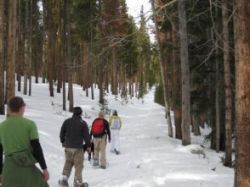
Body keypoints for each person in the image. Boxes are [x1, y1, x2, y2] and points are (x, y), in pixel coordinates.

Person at [0, 96, 49, 187]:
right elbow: (36, 147)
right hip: (27, 167)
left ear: (9, 109)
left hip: (9, 169)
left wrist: (0, 173)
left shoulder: (1, 127)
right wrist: (44, 168)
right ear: (22, 108)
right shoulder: (30, 125)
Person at [59, 107, 91, 187]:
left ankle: (64, 179)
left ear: (73, 113)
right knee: (78, 165)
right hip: (78, 148)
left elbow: (61, 133)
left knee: (68, 162)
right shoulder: (83, 123)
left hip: (68, 146)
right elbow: (86, 136)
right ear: (80, 113)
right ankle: (77, 182)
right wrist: (88, 146)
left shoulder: (67, 121)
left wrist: (63, 142)